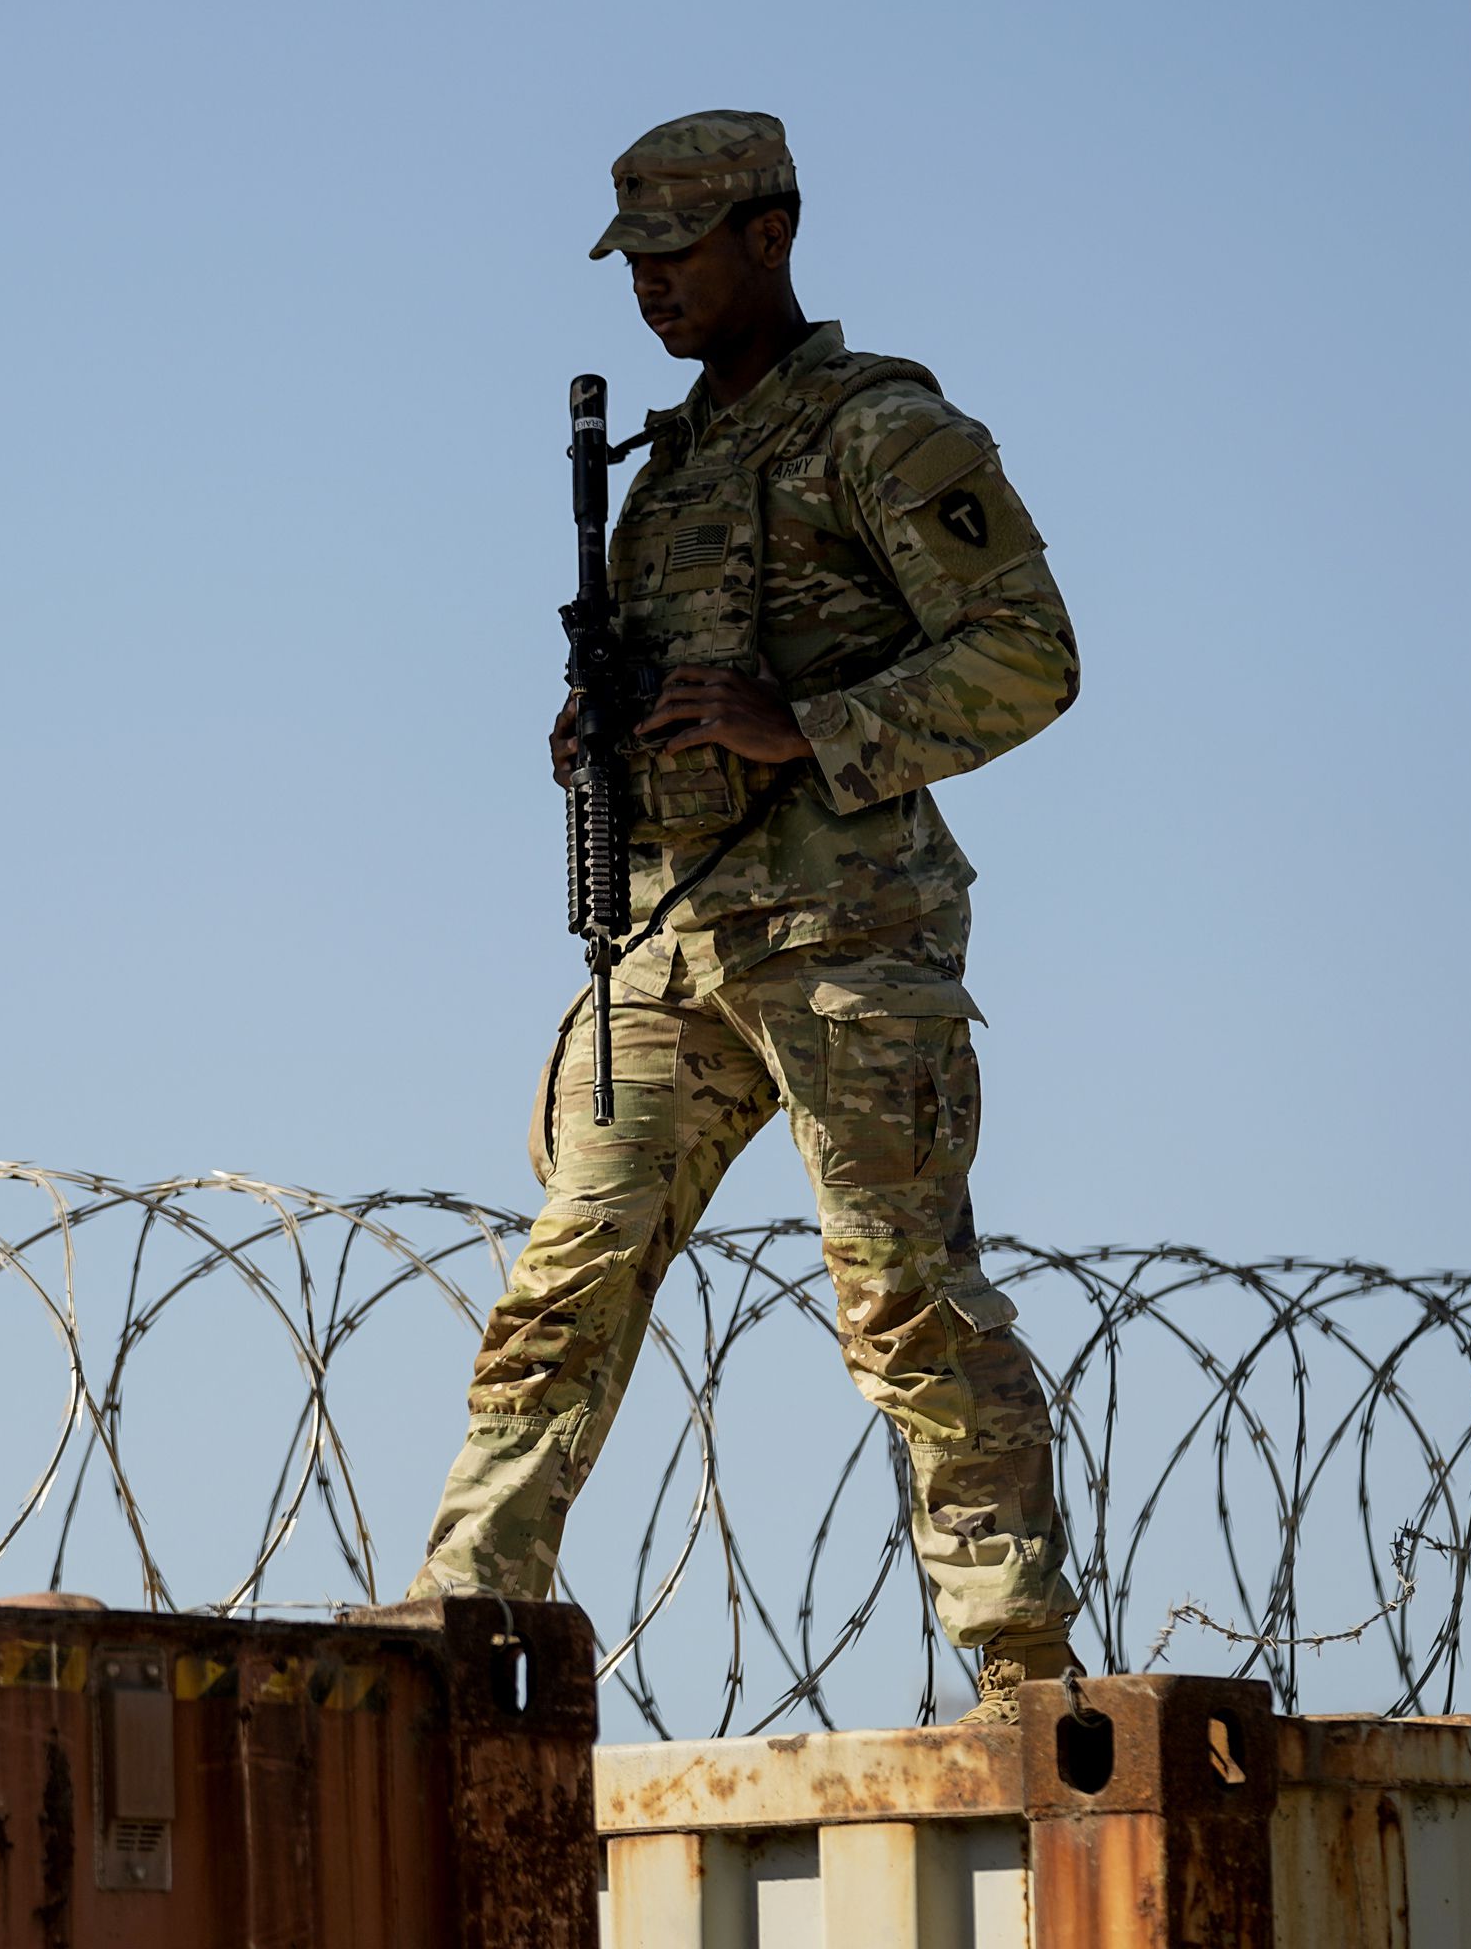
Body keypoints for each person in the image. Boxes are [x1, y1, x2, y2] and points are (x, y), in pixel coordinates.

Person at [403, 110, 1084, 1726]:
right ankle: (467, 1605)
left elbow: (1031, 653)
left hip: (847, 943)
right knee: (566, 1273)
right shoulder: (672, 468)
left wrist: (807, 728)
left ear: (769, 238)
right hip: (674, 937)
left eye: (677, 253)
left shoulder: (880, 432)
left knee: (903, 1294)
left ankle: (1024, 1672)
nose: (650, 287)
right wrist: (603, 736)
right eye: (632, 260)